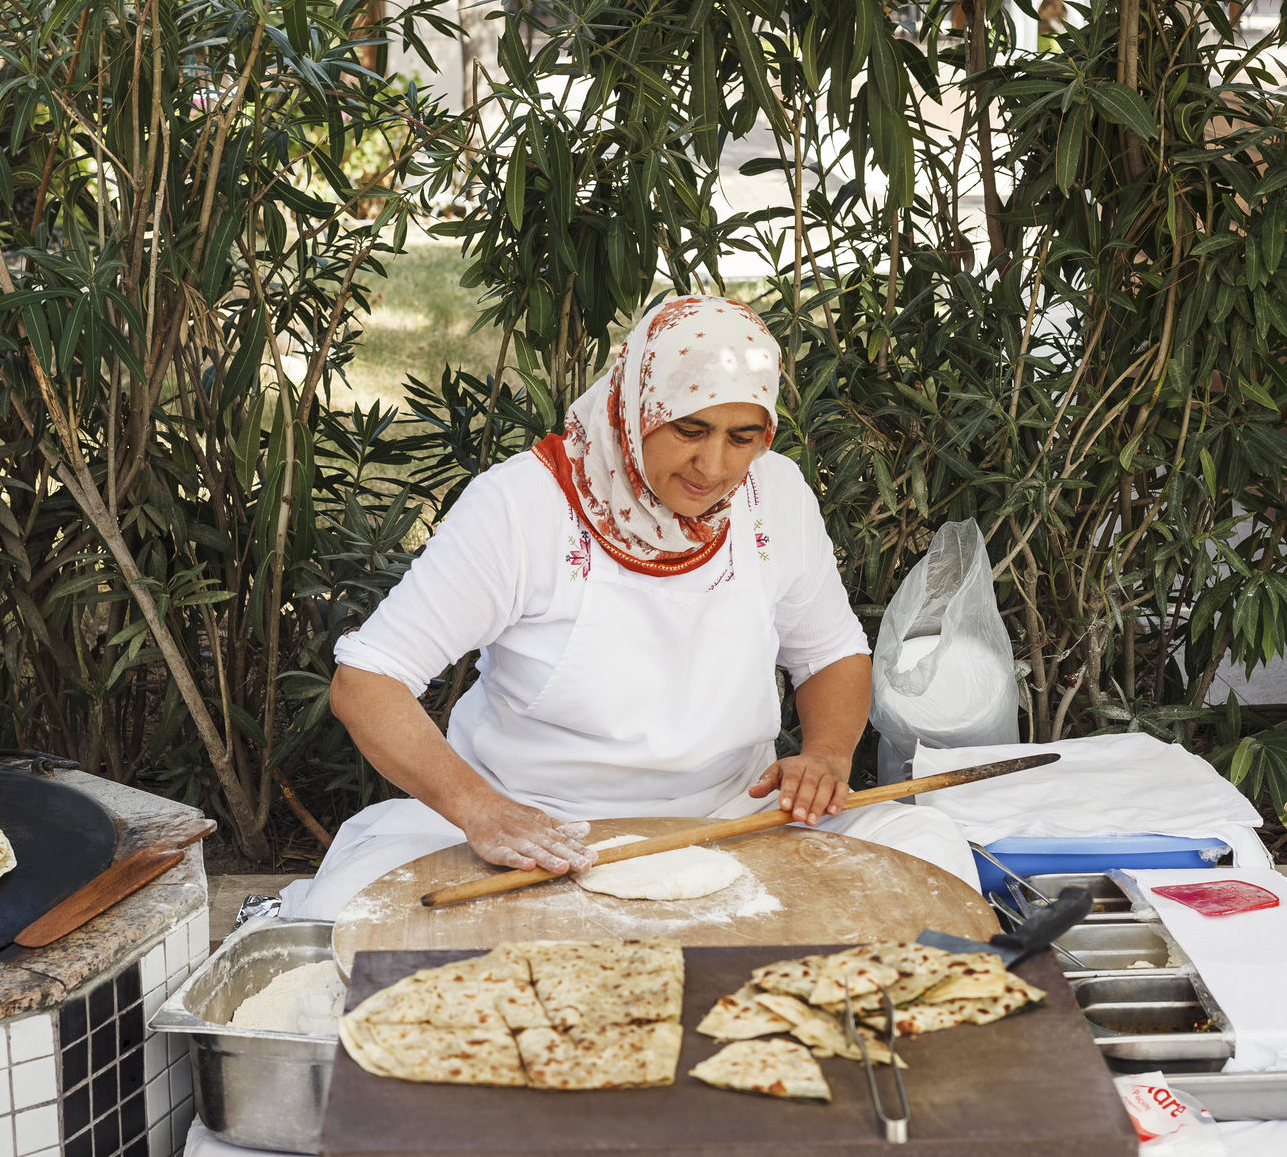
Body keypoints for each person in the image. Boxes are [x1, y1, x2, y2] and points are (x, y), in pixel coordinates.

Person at [277, 296, 973, 921]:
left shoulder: (775, 496)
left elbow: (830, 654)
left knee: (931, 851)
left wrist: (825, 754)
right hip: (540, 831)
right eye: (690, 429)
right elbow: (367, 681)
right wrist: (479, 808)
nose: (715, 467)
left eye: (743, 435)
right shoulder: (525, 507)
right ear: (636, 409)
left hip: (738, 816)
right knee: (346, 913)